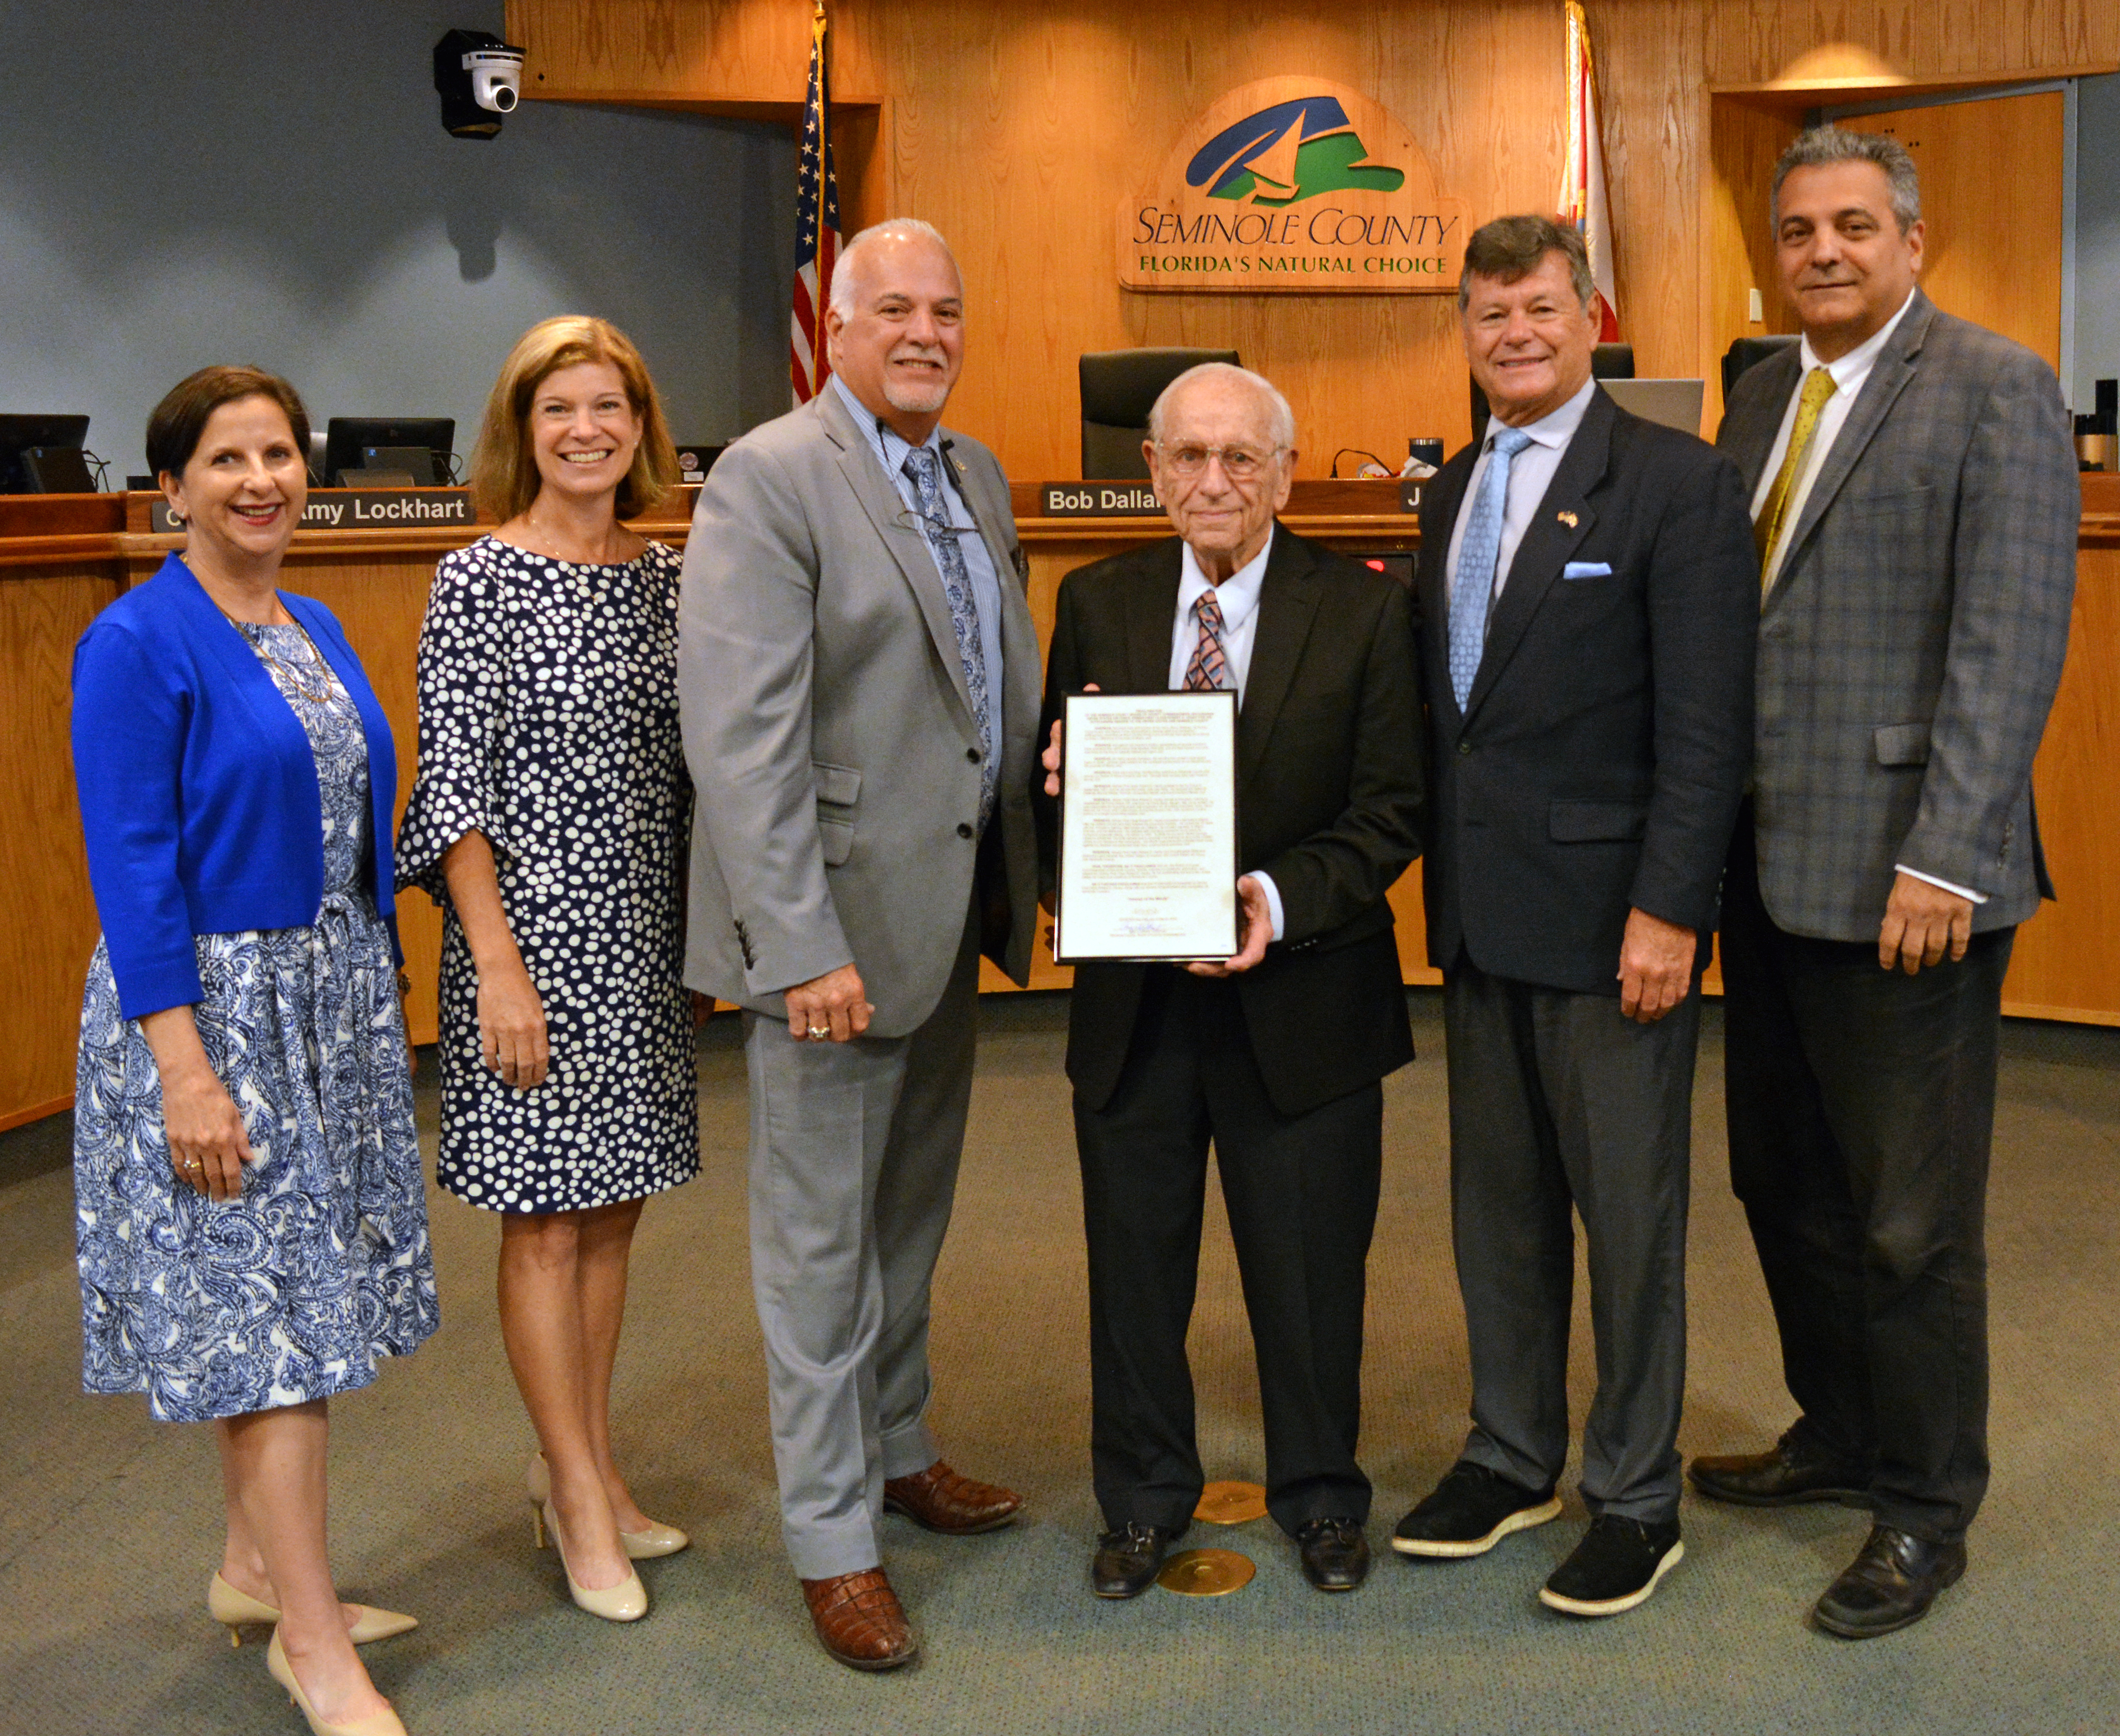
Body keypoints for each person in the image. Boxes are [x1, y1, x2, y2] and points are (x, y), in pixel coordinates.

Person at [1697, 126, 2078, 1638]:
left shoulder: (1995, 388)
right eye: (1799, 232)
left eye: (1855, 225)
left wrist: (1949, 852)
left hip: (1908, 879)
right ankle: (1840, 1430)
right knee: (1781, 1182)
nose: (1825, 253)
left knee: (1911, 1221)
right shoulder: (1757, 400)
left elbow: (2012, 640)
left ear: (1913, 241)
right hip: (1763, 874)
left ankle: (1925, 1509)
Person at [678, 217, 1040, 1670]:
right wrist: (798, 944)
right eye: (894, 308)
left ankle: (900, 1449)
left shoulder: (972, 472)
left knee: (909, 1226)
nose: (926, 334)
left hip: (944, 926)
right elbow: (743, 741)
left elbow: (979, 691)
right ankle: (834, 1542)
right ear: (837, 325)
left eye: (948, 310)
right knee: (820, 1261)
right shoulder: (772, 478)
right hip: (829, 948)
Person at [1389, 216, 1759, 1619]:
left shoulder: (1676, 483)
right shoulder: (1455, 490)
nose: (1515, 335)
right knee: (1500, 1218)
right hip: (1483, 925)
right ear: (1468, 329)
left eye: (1539, 308)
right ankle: (1512, 1451)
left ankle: (1636, 1492)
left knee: (1629, 1219)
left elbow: (1708, 730)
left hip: (1621, 935)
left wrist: (1675, 910)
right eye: (1489, 315)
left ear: (1588, 312)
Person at [71, 365, 435, 1736]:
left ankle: (250, 1571)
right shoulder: (135, 643)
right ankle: (313, 1639)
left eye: (279, 453)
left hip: (321, 1009)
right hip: (210, 1022)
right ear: (172, 487)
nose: (261, 479)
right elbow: (133, 869)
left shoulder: (312, 619)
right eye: (226, 459)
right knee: (271, 1335)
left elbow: (349, 821)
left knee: (301, 1307)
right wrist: (184, 1071)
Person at [1035, 363, 1426, 1601]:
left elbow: (1392, 811)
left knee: (1310, 1272)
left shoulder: (1365, 611)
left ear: (1284, 472)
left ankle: (1321, 1497)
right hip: (1137, 1011)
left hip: (1304, 1002)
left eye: (1241, 459)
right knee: (1135, 1275)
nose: (1214, 482)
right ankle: (1144, 1500)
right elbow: (1055, 799)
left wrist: (1271, 901)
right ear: (1148, 470)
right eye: (1188, 457)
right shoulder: (1098, 601)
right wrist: (1067, 808)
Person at [398, 316, 704, 1625]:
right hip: (525, 945)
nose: (588, 431)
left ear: (643, 428)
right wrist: (498, 964)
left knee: (617, 1211)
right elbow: (451, 789)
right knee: (547, 1221)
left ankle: (577, 1459)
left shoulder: (668, 576)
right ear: (521, 431)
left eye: (610, 408)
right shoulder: (478, 578)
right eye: (560, 410)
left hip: (641, 938)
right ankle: (579, 1497)